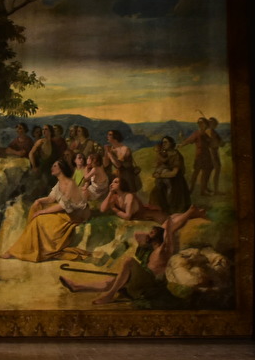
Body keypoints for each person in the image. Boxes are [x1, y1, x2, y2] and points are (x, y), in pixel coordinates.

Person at [59, 205, 207, 305]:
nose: (148, 233)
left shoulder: (165, 249)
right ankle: (77, 286)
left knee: (128, 261)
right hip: (142, 277)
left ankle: (110, 296)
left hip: (149, 282)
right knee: (113, 280)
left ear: (160, 237)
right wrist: (153, 233)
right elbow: (138, 235)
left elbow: (168, 228)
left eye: (152, 232)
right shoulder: (151, 247)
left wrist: (184, 215)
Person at [0, 159, 91, 263]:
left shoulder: (70, 183)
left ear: (61, 169)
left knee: (39, 218)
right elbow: (51, 198)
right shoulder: (59, 183)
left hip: (75, 215)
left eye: (55, 166)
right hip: (67, 211)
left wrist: (42, 212)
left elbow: (63, 205)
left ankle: (17, 251)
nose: (52, 168)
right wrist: (38, 201)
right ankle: (29, 246)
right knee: (36, 207)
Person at [151, 135, 191, 214]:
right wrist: (156, 173)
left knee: (171, 190)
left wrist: (160, 175)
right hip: (164, 179)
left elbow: (174, 173)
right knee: (155, 191)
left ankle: (171, 209)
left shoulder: (176, 155)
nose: (163, 144)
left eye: (166, 142)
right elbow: (157, 166)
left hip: (176, 181)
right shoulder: (163, 154)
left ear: (171, 143)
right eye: (162, 143)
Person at [182, 117, 219, 198]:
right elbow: (189, 140)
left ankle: (203, 190)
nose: (200, 124)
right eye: (199, 123)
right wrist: (182, 144)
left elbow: (213, 144)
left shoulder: (207, 133)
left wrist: (212, 138)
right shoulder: (197, 133)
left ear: (206, 124)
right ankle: (190, 190)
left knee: (206, 172)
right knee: (196, 172)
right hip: (199, 155)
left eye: (202, 123)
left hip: (207, 155)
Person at [104, 129, 141, 193]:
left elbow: (118, 165)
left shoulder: (125, 149)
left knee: (128, 194)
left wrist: (109, 153)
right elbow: (105, 164)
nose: (107, 136)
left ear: (115, 137)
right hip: (116, 176)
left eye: (110, 135)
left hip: (126, 176)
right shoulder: (110, 149)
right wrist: (106, 152)